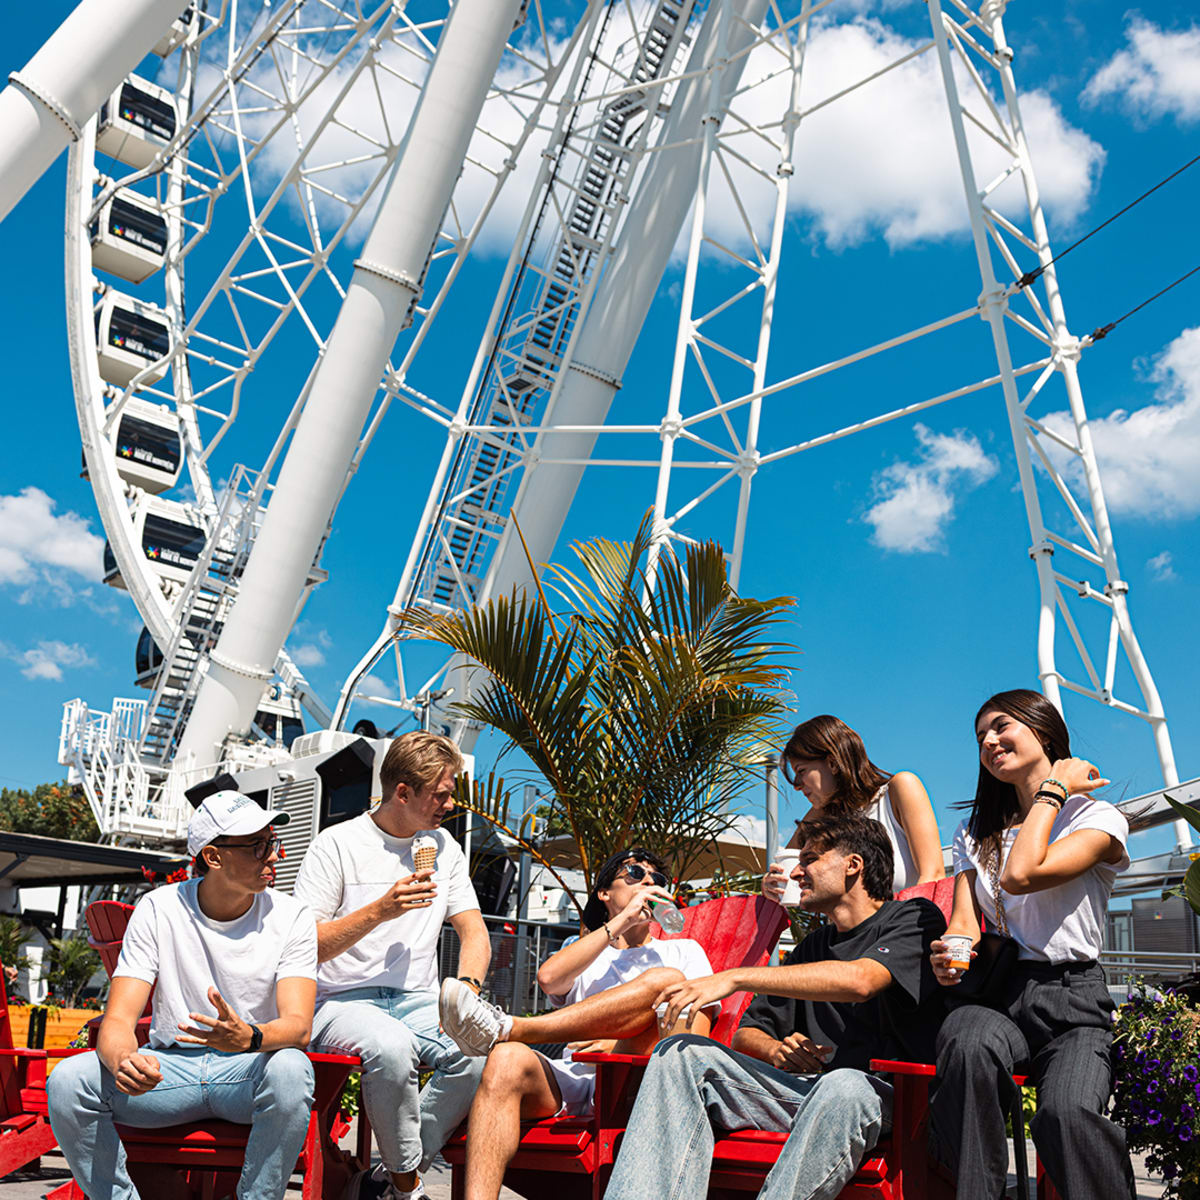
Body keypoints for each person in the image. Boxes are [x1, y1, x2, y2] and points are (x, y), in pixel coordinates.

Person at [604, 813, 947, 1200]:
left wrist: (734, 976)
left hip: (889, 1102)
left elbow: (861, 981)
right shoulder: (812, 947)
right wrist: (776, 1050)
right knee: (679, 1054)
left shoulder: (913, 920)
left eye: (810, 860)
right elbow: (748, 1032)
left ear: (854, 866)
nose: (797, 874)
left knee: (845, 1083)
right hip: (803, 1094)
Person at [47, 792, 317, 1200]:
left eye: (272, 842)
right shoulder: (158, 908)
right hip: (168, 1072)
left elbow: (298, 1027)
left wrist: (250, 1038)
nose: (274, 856)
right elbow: (119, 1019)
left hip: (245, 1073)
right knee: (68, 1080)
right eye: (258, 845)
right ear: (213, 857)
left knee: (292, 1069)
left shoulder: (292, 916)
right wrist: (124, 1061)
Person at [928, 688, 1136, 1200]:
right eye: (980, 737)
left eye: (1001, 726)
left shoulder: (1098, 819)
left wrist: (1052, 790)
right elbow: (964, 922)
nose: (990, 741)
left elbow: (1023, 873)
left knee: (1067, 1114)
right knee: (965, 1038)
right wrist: (948, 955)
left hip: (1074, 998)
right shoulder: (972, 834)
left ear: (1043, 730)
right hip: (1002, 993)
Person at [438, 847, 721, 1200]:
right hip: (576, 1078)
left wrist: (614, 1045)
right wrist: (620, 922)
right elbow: (549, 978)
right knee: (507, 1059)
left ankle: (512, 1027)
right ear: (605, 893)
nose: (649, 882)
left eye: (657, 879)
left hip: (638, 1083)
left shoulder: (684, 951)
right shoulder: (583, 947)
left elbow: (693, 1039)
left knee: (665, 979)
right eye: (634, 874)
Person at [292, 731, 491, 1200]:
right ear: (403, 792)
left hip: (417, 999)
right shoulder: (335, 845)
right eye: (441, 794)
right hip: (340, 1001)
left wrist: (467, 989)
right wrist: (380, 911)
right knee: (392, 1047)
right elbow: (305, 946)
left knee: (480, 1050)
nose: (450, 804)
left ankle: (384, 1180)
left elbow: (474, 932)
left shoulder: (444, 848)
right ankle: (406, 1187)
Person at [763, 714, 943, 899]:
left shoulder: (899, 789)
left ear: (833, 763)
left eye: (801, 771)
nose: (797, 784)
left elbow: (933, 875)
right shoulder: (826, 815)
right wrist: (772, 883)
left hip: (910, 923)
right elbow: (788, 864)